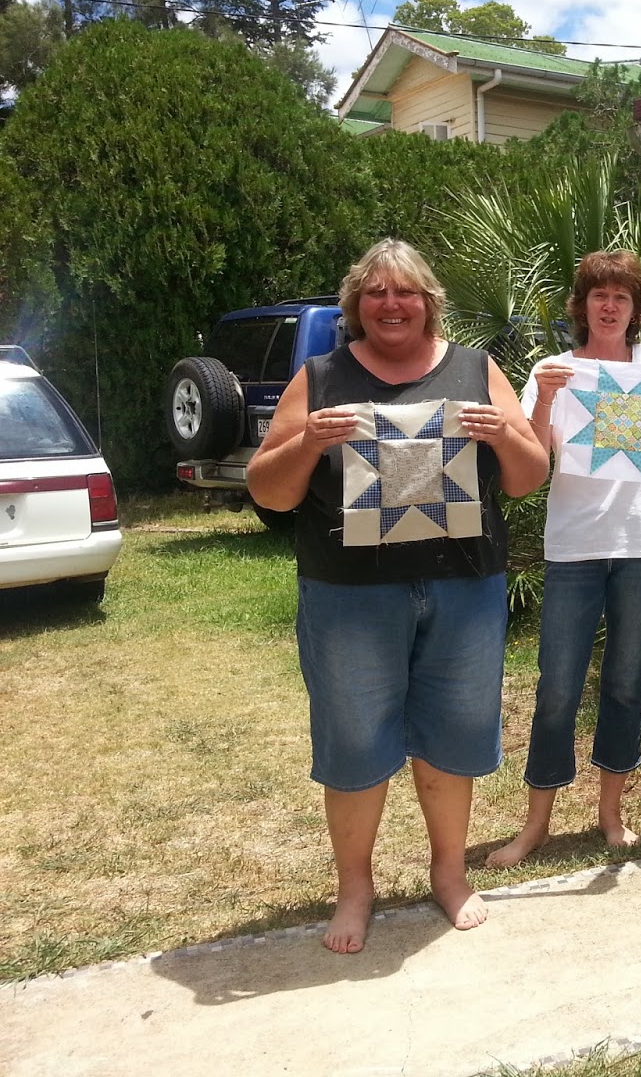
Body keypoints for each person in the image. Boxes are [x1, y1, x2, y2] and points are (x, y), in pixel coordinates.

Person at [247, 238, 548, 954]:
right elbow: (269, 491)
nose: (391, 303)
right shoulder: (322, 376)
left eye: (405, 291)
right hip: (349, 595)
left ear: (428, 301)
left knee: (452, 735)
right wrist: (307, 443)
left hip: (463, 589)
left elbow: (528, 476)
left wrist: (505, 435)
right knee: (354, 741)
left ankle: (450, 874)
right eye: (376, 292)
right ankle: (356, 888)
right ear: (356, 304)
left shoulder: (475, 368)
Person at [487, 251, 641, 867]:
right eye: (599, 295)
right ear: (581, 305)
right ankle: (536, 824)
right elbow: (532, 464)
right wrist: (542, 400)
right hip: (575, 546)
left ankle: (611, 814)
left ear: (637, 309)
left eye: (621, 297)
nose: (609, 307)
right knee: (557, 686)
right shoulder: (554, 371)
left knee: (624, 682)